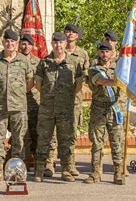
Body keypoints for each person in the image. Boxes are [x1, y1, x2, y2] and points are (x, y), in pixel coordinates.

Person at [33, 32, 83, 182]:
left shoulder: (74, 62)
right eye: (55, 43)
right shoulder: (44, 62)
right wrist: (49, 96)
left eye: (61, 43)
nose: (58, 45)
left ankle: (66, 170)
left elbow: (79, 84)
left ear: (65, 43)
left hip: (65, 108)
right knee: (43, 139)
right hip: (47, 108)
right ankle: (40, 170)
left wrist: (67, 97)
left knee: (65, 139)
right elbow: (37, 84)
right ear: (52, 44)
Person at [0, 29, 33, 182]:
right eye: (7, 41)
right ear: (3, 42)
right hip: (0, 106)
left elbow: (30, 82)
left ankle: (17, 169)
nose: (9, 44)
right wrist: (0, 92)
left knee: (19, 138)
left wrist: (17, 93)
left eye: (13, 41)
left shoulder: (24, 61)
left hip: (19, 106)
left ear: (16, 43)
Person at [84, 41, 125, 185]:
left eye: (107, 51)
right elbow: (101, 81)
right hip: (98, 110)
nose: (104, 54)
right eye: (102, 52)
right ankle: (95, 173)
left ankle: (118, 173)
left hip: (115, 109)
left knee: (117, 142)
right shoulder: (94, 69)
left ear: (112, 52)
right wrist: (119, 82)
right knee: (97, 143)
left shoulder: (119, 68)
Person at [64, 23, 90, 176]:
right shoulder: (58, 51)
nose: (70, 34)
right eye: (67, 31)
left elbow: (84, 78)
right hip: (58, 99)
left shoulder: (83, 54)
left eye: (73, 32)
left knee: (72, 132)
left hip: (74, 100)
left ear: (77, 36)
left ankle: (70, 163)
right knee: (55, 132)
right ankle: (50, 163)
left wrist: (74, 93)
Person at [18, 34, 42, 168]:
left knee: (36, 132)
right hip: (18, 102)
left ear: (32, 46)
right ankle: (24, 160)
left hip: (34, 102)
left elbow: (40, 81)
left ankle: (38, 161)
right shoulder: (15, 60)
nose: (25, 46)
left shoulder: (38, 62)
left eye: (28, 44)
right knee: (22, 133)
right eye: (23, 43)